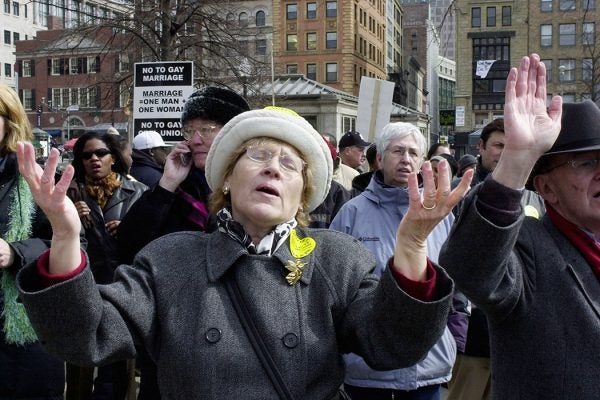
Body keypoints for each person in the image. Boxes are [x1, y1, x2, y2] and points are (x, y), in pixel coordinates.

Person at [14, 107, 473, 399]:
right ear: (227, 181)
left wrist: (411, 245)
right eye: (257, 156)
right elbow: (84, 337)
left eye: (289, 164)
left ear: (303, 193)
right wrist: (65, 238)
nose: (273, 166)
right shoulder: (170, 259)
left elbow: (392, 345)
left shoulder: (336, 258)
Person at [440, 54, 600, 399]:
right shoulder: (527, 247)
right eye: (587, 162)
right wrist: (517, 158)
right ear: (545, 189)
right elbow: (470, 270)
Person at [331, 122, 463, 400]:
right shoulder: (351, 213)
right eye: (397, 151)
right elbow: (333, 287)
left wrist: (455, 335)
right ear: (379, 158)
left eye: (414, 153)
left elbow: (456, 279)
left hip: (428, 367)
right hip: (366, 368)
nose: (406, 159)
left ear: (422, 162)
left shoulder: (440, 215)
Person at [445, 116, 546, 400]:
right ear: (481, 147)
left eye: (512, 145)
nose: (505, 152)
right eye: (498, 145)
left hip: (517, 337)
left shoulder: (535, 199)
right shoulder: (459, 194)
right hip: (471, 337)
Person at [117, 87, 250, 265]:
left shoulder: (256, 188)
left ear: (234, 133)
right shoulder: (180, 190)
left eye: (206, 129)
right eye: (188, 131)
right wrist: (167, 184)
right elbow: (127, 246)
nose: (195, 140)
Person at [65, 131, 147, 400]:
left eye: (101, 153)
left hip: (124, 289)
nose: (94, 160)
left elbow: (152, 240)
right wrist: (69, 220)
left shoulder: (137, 192)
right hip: (83, 288)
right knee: (81, 363)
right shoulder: (69, 193)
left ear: (113, 158)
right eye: (87, 155)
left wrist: (131, 229)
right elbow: (53, 241)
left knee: (120, 362)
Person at [0, 84, 66, 400]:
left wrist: (15, 253)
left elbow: (71, 249)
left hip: (23, 346)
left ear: (9, 121)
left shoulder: (34, 179)